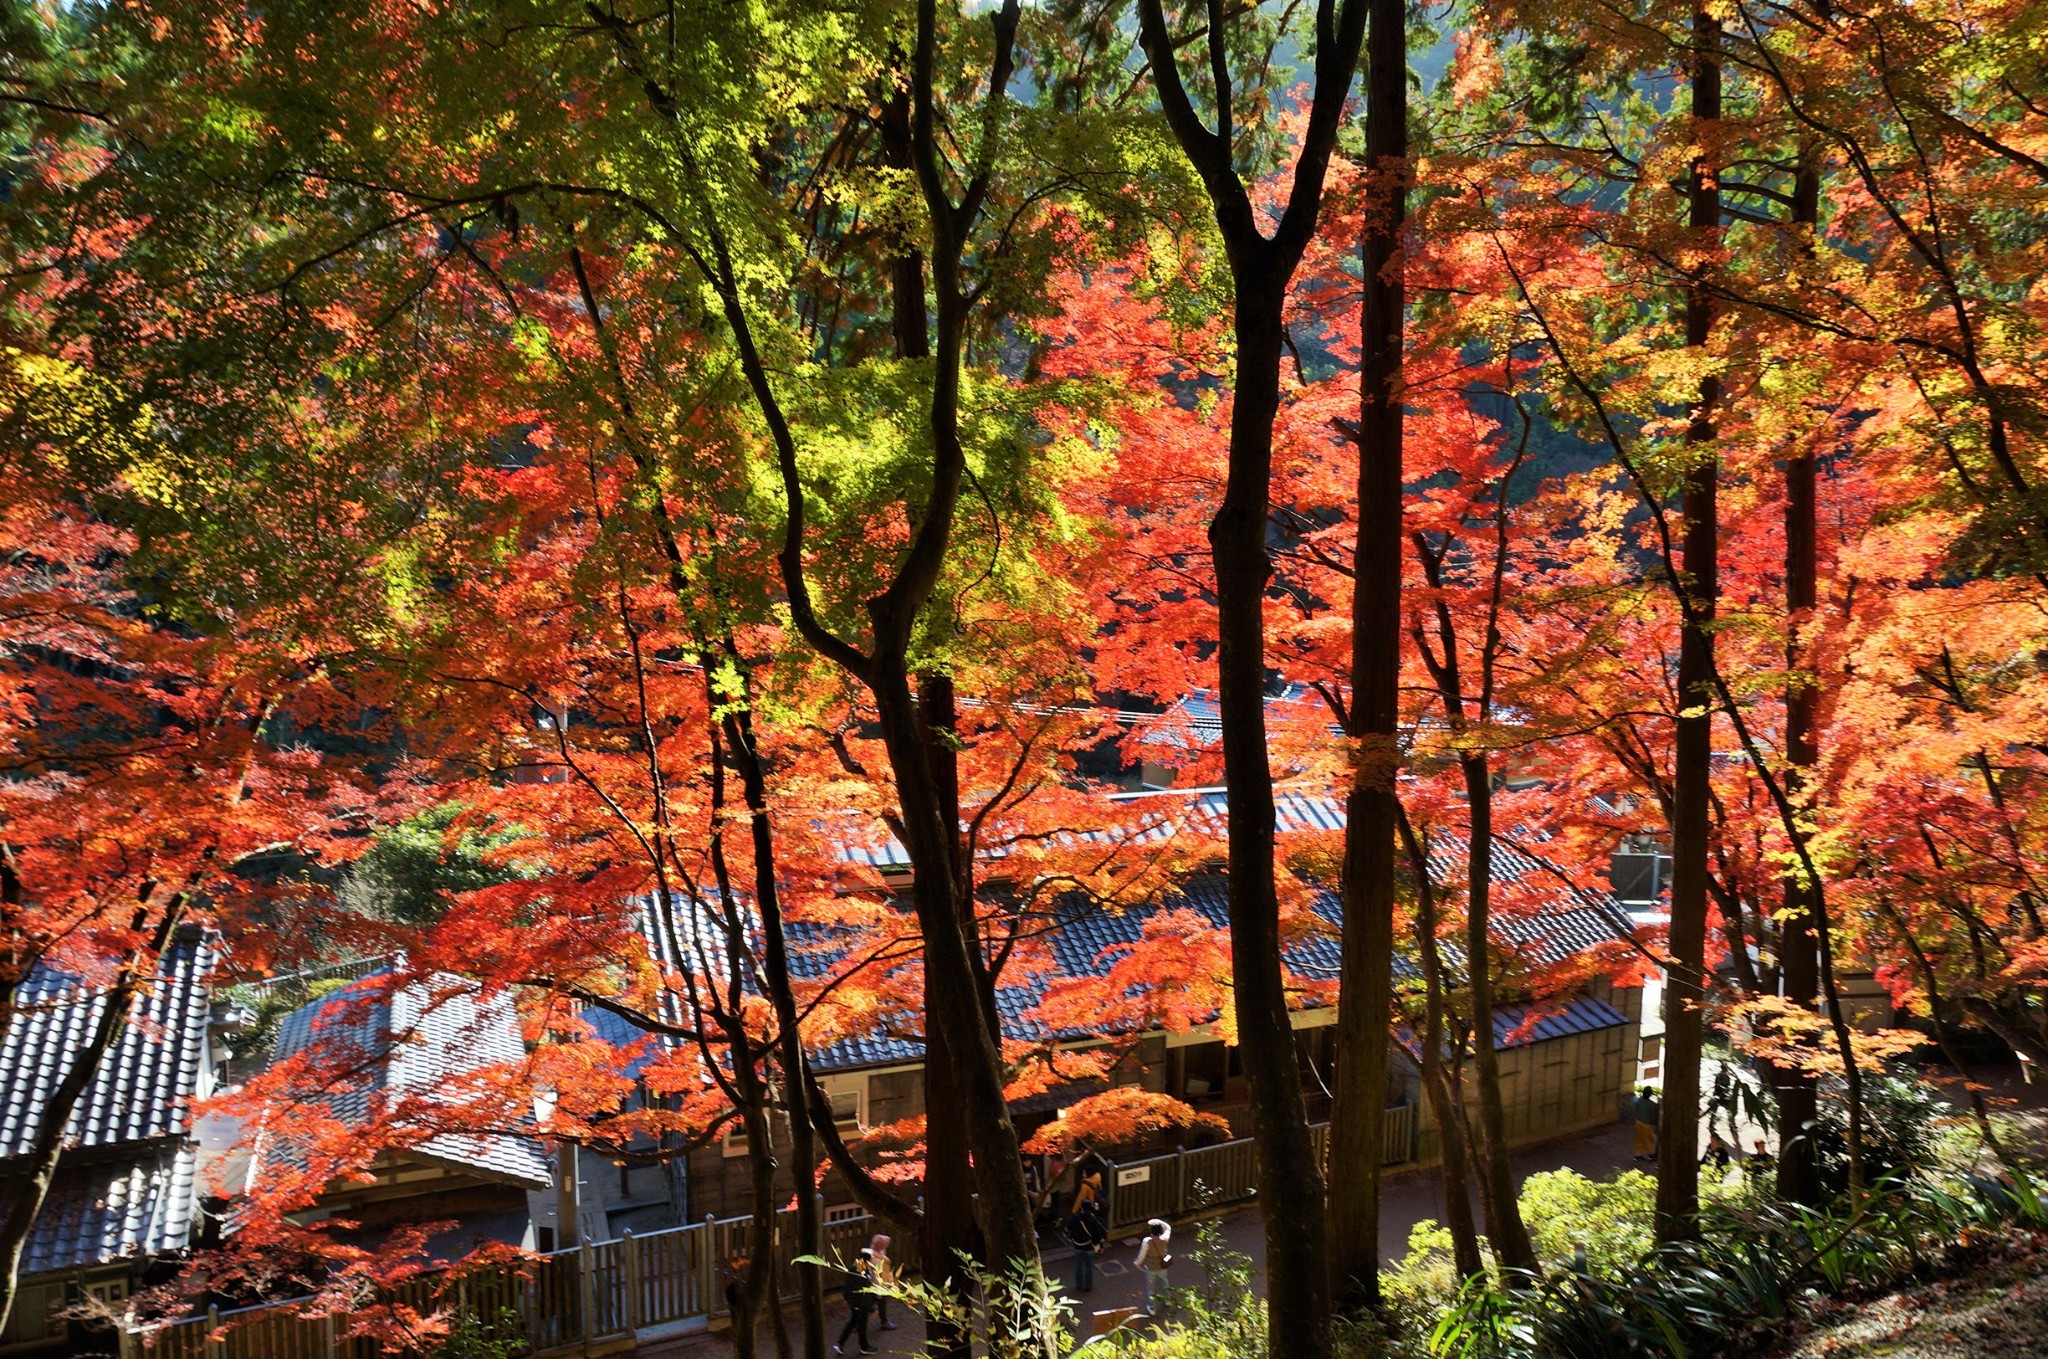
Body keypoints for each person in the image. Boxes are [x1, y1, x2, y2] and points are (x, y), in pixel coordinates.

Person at [832, 1247, 878, 1356]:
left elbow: (847, 1285)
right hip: (860, 1304)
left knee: (853, 1322)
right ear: (868, 1259)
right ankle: (864, 1347)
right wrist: (871, 1308)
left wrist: (846, 1299)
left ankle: (840, 1344)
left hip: (855, 1303)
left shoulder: (854, 1267)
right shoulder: (862, 1271)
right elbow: (862, 1291)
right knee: (861, 1325)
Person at [1064, 1201, 1107, 1294]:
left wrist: (1072, 1238)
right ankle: (1087, 1286)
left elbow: (1067, 1229)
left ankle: (1078, 1284)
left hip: (1078, 1246)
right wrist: (1101, 1246)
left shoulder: (1076, 1218)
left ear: (1081, 1207)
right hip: (1089, 1247)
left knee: (1078, 1266)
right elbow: (1097, 1234)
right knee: (1088, 1267)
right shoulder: (1092, 1218)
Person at [1134, 1218, 1172, 1316]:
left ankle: (1152, 1308)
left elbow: (1142, 1255)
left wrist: (1138, 1263)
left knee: (1150, 1289)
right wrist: (1160, 1222)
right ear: (1160, 1231)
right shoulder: (1164, 1239)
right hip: (1162, 1266)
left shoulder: (1147, 1241)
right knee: (1164, 1282)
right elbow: (1168, 1228)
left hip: (1150, 1268)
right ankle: (1168, 1300)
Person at [869, 1233, 898, 1331]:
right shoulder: (876, 1260)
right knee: (877, 1302)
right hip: (877, 1284)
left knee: (873, 1302)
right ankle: (884, 1321)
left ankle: (857, 1322)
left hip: (876, 1283)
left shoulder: (877, 1251)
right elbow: (878, 1275)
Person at [1631, 1086, 1661, 1162]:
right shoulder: (1652, 1105)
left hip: (1638, 1122)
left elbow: (1633, 1103)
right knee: (1649, 1140)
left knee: (1639, 1139)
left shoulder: (1638, 1101)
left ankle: (1638, 1155)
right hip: (1648, 1124)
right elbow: (1655, 1116)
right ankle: (1651, 1155)